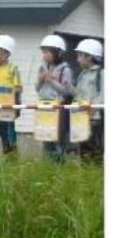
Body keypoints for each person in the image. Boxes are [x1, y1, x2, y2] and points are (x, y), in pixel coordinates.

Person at [34, 34, 74, 163]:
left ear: (58, 52)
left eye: (47, 52)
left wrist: (52, 81)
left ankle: (59, 165)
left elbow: (67, 91)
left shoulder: (65, 70)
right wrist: (40, 80)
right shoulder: (43, 67)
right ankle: (47, 164)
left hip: (57, 108)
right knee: (45, 137)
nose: (44, 55)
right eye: (43, 52)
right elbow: (37, 88)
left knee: (57, 137)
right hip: (44, 106)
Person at [73, 38, 104, 161]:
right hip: (81, 116)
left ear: (89, 57)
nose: (77, 58)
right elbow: (78, 94)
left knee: (95, 149)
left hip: (94, 118)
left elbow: (104, 94)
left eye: (80, 55)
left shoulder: (101, 73)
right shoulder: (82, 74)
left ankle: (96, 175)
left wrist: (94, 107)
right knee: (83, 150)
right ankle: (85, 175)